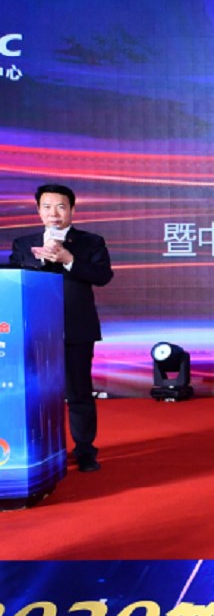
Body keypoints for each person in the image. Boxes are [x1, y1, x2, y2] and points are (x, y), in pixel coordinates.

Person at [9, 184, 113, 473]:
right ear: (38, 210)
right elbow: (14, 280)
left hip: (76, 328)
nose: (53, 213)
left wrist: (69, 260)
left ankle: (85, 451)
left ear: (72, 210)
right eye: (47, 207)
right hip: (34, 332)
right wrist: (40, 263)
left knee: (79, 393)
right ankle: (41, 449)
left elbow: (103, 276)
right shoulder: (23, 244)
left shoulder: (90, 242)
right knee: (36, 395)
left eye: (61, 206)